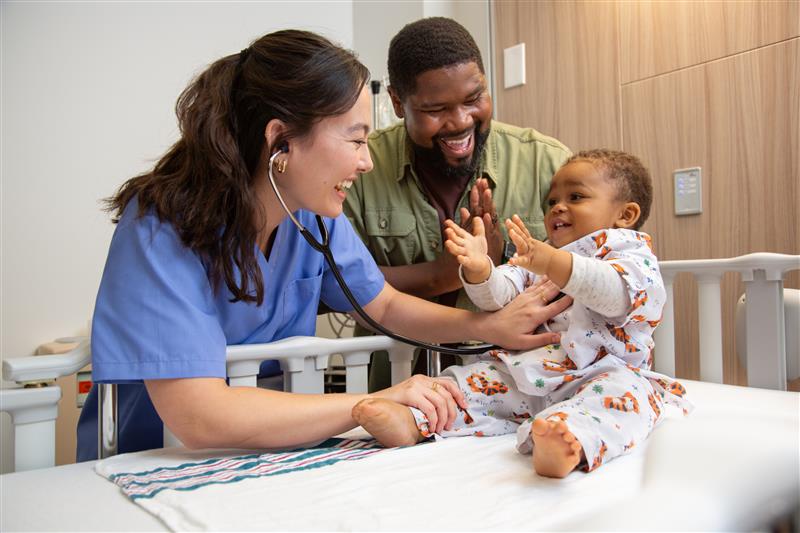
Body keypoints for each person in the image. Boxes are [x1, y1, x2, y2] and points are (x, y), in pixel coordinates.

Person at [75, 30, 572, 461]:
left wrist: (488, 326)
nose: (367, 162)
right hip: (157, 459)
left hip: (277, 451)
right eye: (356, 141)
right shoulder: (160, 226)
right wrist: (371, 402)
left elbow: (383, 303)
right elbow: (199, 415)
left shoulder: (310, 216)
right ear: (280, 143)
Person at [353, 149, 692, 478]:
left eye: (575, 197)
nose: (558, 207)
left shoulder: (632, 256)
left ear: (626, 215)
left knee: (628, 399)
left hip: (601, 375)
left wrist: (552, 262)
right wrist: (479, 269)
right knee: (466, 382)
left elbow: (613, 293)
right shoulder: (543, 257)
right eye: (551, 201)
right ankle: (414, 419)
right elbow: (499, 295)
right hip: (527, 377)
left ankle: (568, 440)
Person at [342, 17, 571, 390]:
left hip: (525, 387)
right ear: (399, 103)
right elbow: (339, 287)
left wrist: (502, 267)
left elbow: (599, 267)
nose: (461, 121)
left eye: (473, 99)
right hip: (399, 387)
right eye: (436, 110)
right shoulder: (361, 169)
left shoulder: (547, 163)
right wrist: (447, 273)